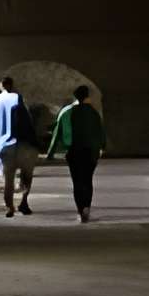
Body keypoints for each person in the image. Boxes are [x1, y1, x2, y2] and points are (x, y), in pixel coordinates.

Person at [51, 83, 107, 221]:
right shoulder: (94, 112)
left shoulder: (67, 111)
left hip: (74, 150)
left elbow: (57, 132)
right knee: (87, 180)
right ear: (87, 95)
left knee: (77, 181)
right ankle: (87, 207)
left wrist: (51, 152)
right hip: (91, 152)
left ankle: (80, 209)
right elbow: (101, 131)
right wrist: (102, 147)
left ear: (74, 96)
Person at [0, 77, 35, 216]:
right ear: (12, 85)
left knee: (8, 180)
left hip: (3, 146)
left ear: (1, 86)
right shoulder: (18, 98)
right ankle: (23, 201)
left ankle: (10, 207)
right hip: (21, 144)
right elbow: (27, 122)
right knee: (26, 175)